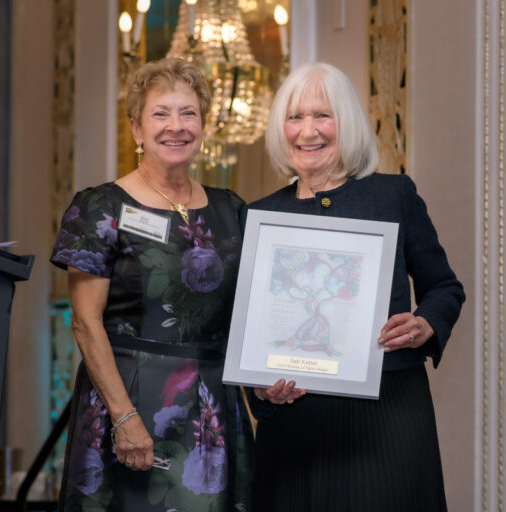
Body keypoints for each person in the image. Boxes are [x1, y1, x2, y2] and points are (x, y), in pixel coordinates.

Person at [247, 62, 466, 511]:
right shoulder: (259, 216)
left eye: (322, 115)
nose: (308, 131)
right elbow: (249, 329)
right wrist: (261, 390)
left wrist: (425, 324)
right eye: (295, 117)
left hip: (387, 418)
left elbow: (445, 287)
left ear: (346, 122)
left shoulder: (393, 195)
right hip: (295, 428)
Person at [50, 58, 252, 512]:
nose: (175, 126)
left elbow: (253, 312)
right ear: (136, 129)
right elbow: (85, 322)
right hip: (127, 401)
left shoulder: (232, 210)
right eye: (161, 113)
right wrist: (124, 417)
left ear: (204, 125)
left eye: (188, 113)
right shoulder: (100, 207)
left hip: (211, 406)